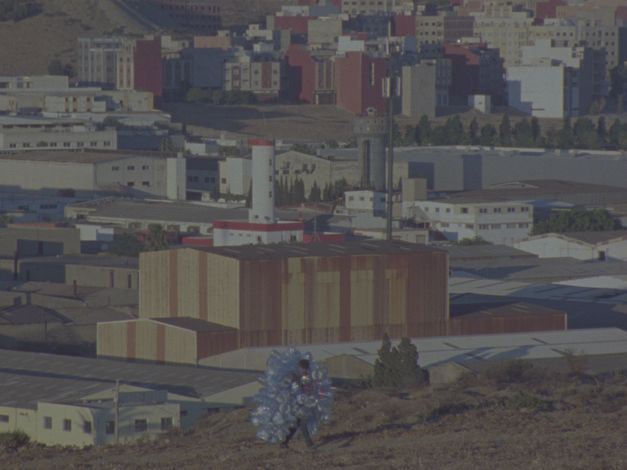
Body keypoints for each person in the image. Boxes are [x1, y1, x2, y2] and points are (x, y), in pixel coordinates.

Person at [281, 359, 315, 449]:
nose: (304, 370)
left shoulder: (305, 377)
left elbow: (308, 389)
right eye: (302, 368)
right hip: (294, 405)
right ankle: (310, 445)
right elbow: (286, 387)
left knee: (297, 425)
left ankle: (284, 442)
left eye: (305, 369)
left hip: (302, 404)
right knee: (300, 424)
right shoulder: (293, 375)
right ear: (299, 367)